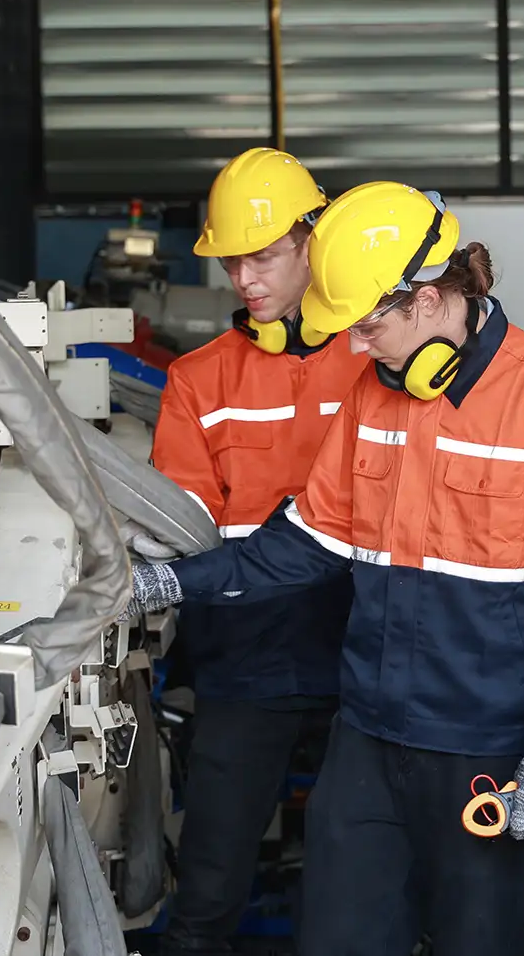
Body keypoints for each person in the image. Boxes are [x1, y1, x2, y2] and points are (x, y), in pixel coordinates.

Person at [131, 181, 524, 956]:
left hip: (483, 746)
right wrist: (170, 581)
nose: (355, 349)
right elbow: (307, 538)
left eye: (366, 326)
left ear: (426, 300)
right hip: (367, 735)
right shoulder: (376, 393)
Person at [151, 148, 366, 956]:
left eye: (264, 255)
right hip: (247, 654)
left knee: (360, 873)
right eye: (234, 258)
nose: (245, 277)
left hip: (364, 653)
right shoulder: (198, 380)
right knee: (209, 878)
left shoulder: (379, 359)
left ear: (313, 241)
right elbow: (183, 519)